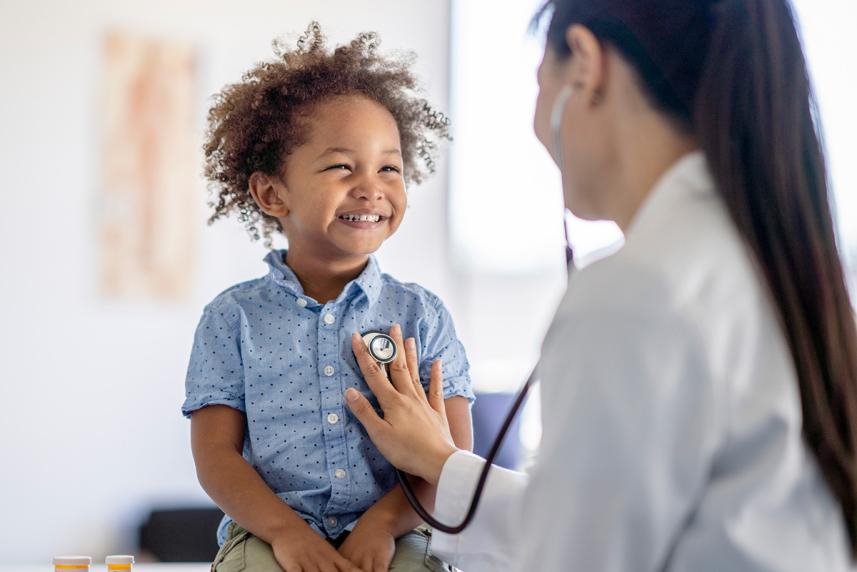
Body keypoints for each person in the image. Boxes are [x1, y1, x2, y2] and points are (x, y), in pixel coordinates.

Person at [343, 0, 857, 570]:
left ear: (585, 66)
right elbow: (608, 518)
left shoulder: (637, 292)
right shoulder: (759, 257)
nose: (538, 128)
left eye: (539, 85)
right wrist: (444, 464)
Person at [181, 23, 475, 572]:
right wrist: (286, 534)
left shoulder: (422, 315)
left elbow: (453, 459)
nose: (371, 186)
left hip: (398, 531)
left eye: (389, 167)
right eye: (342, 166)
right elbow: (216, 457)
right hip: (271, 535)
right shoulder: (231, 318)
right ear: (272, 192)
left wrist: (383, 526)